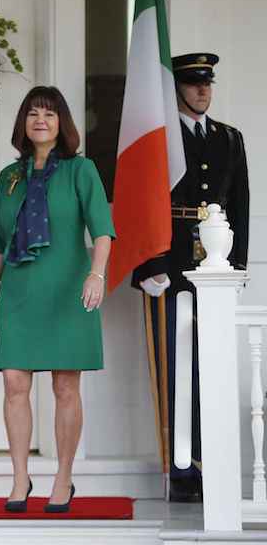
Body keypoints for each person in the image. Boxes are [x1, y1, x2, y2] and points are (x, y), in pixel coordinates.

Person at [0, 86, 115, 514]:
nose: (41, 120)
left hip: (68, 289)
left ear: (62, 124)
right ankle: (20, 477)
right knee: (14, 383)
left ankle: (63, 477)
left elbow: (102, 231)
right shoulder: (9, 176)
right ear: (23, 122)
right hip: (20, 292)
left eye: (50, 113)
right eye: (33, 113)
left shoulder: (81, 170)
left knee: (64, 386)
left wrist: (97, 274)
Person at [132, 53, 249, 503]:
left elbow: (238, 205)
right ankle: (182, 468)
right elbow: (141, 202)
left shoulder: (229, 139)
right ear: (177, 88)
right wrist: (147, 265)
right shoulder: (158, 140)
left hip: (213, 267)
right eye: (195, 84)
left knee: (213, 365)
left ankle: (212, 461)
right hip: (170, 260)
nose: (204, 91)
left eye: (208, 84)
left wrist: (237, 267)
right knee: (175, 364)